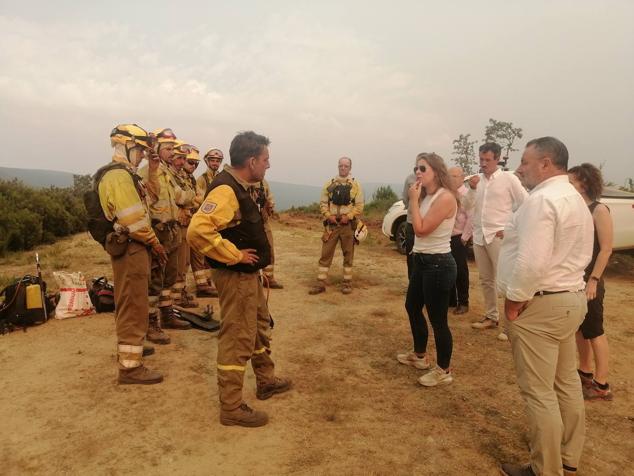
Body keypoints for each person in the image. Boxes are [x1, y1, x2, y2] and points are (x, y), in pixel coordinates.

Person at [497, 137, 593, 476]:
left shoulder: (542, 200)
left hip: (540, 305)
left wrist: (513, 300)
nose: (520, 168)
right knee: (565, 382)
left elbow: (531, 262)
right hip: (569, 300)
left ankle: (545, 469)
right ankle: (568, 456)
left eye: (525, 161)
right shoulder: (575, 199)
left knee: (539, 392)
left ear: (546, 163)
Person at [187, 131, 291, 428]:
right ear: (251, 160)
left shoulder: (242, 186)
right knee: (237, 337)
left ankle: (266, 380)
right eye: (266, 160)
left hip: (248, 277)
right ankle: (231, 407)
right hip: (236, 276)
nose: (268, 166)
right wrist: (234, 255)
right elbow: (197, 231)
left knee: (258, 327)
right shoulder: (226, 191)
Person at [98, 124, 168, 384]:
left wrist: (152, 168)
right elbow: (135, 220)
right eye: (138, 149)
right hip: (132, 247)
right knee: (133, 304)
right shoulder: (118, 177)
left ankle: (133, 350)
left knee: (134, 301)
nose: (141, 154)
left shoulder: (129, 175)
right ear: (125, 146)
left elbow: (154, 196)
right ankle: (130, 368)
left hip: (136, 247)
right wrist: (156, 244)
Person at [396, 153, 458, 387]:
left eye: (423, 168)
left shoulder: (445, 198)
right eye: (416, 168)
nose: (418, 172)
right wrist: (416, 197)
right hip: (422, 260)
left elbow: (420, 229)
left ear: (436, 171)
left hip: (438, 265)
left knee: (438, 320)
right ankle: (420, 356)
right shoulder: (427, 195)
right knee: (412, 306)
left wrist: (413, 200)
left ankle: (443, 370)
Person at [463, 142, 528, 341]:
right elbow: (466, 207)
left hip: (499, 236)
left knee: (506, 280)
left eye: (487, 160)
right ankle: (491, 316)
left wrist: (510, 228)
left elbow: (526, 204)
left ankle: (512, 324)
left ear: (497, 159)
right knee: (486, 279)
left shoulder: (509, 179)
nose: (483, 163)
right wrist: (472, 189)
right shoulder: (475, 181)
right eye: (481, 159)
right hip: (480, 235)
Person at [138, 129, 192, 344]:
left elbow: (181, 196)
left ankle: (166, 314)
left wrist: (191, 201)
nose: (172, 153)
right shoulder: (146, 173)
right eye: (168, 149)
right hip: (157, 231)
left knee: (169, 277)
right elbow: (146, 204)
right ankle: (151, 323)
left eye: (173, 149)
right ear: (157, 149)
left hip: (171, 231)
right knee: (155, 280)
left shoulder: (167, 173)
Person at [568, 163, 614, 401]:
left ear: (583, 183)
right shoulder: (574, 208)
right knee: (579, 328)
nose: (567, 185)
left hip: (590, 279)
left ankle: (602, 383)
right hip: (574, 277)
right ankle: (585, 371)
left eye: (571, 181)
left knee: (595, 330)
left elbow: (606, 249)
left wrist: (594, 280)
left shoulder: (599, 210)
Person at [308, 157, 364, 295]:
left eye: (346, 166)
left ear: (350, 168)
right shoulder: (330, 184)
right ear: (338, 167)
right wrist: (328, 216)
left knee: (348, 254)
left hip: (348, 225)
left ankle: (347, 283)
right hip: (331, 225)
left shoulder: (356, 185)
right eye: (341, 166)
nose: (343, 168)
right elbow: (323, 203)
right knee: (325, 253)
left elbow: (359, 205)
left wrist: (348, 217)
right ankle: (320, 283)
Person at [171, 143, 203, 308]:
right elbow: (182, 198)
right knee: (179, 261)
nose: (193, 166)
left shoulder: (188, 178)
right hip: (179, 223)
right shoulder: (175, 176)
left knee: (185, 261)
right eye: (190, 162)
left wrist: (192, 199)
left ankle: (180, 291)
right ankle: (176, 296)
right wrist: (192, 199)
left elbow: (199, 197)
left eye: (196, 164)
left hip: (188, 222)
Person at [191, 148, 224, 297]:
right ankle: (202, 286)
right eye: (212, 160)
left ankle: (209, 282)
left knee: (211, 252)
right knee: (199, 253)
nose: (215, 163)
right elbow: (200, 200)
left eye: (218, 161)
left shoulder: (221, 178)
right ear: (207, 161)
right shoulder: (202, 179)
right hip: (203, 220)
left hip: (216, 222)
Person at [448, 166, 473, 314]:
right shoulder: (449, 194)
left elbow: (472, 217)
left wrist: (464, 237)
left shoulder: (467, 195)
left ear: (462, 177)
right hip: (447, 238)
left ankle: (463, 302)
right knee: (448, 269)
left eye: (454, 176)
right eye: (449, 176)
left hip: (459, 238)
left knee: (460, 271)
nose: (451, 179)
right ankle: (450, 300)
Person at [256, 179, 284, 289]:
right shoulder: (244, 180)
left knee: (269, 248)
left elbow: (269, 196)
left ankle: (269, 278)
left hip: (263, 221)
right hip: (250, 222)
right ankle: (255, 278)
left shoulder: (263, 182)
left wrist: (271, 205)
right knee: (254, 250)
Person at [401, 171, 417, 278]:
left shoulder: (432, 180)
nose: (418, 170)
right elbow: (405, 198)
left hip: (425, 224)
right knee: (410, 256)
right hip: (411, 223)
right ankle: (411, 282)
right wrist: (410, 208)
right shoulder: (410, 179)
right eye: (416, 167)